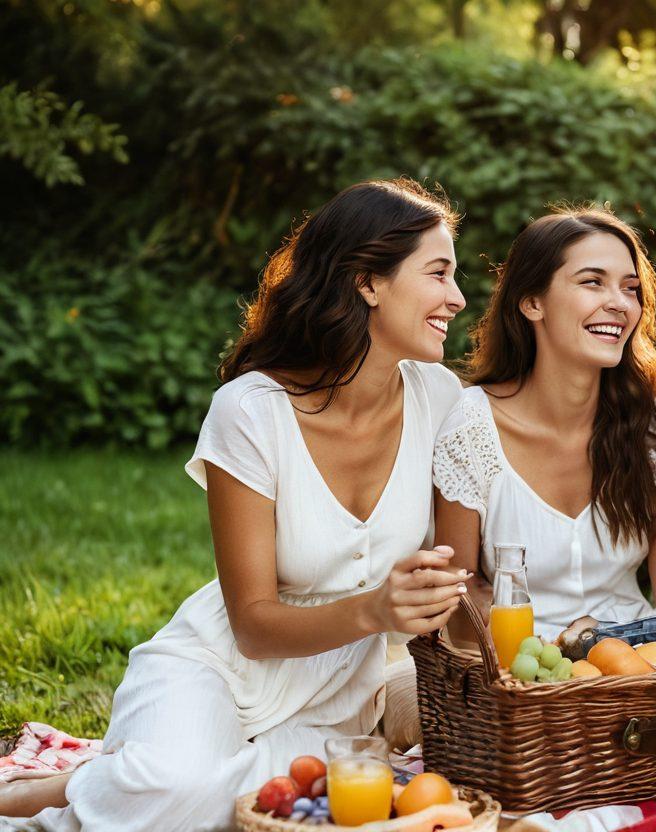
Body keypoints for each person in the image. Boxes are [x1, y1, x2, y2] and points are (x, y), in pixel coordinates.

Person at [1, 178, 470, 831]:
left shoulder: (445, 401)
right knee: (175, 788)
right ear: (368, 281)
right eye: (439, 273)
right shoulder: (251, 410)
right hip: (221, 664)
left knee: (248, 805)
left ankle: (94, 783)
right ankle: (62, 790)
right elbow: (251, 625)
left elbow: (463, 577)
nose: (459, 297)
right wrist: (373, 608)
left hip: (340, 696)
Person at [432, 208, 656, 641]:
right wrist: (551, 658)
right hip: (523, 676)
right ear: (532, 302)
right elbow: (457, 599)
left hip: (636, 667)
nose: (620, 303)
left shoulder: (651, 423)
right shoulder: (472, 425)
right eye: (592, 282)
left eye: (630, 288)